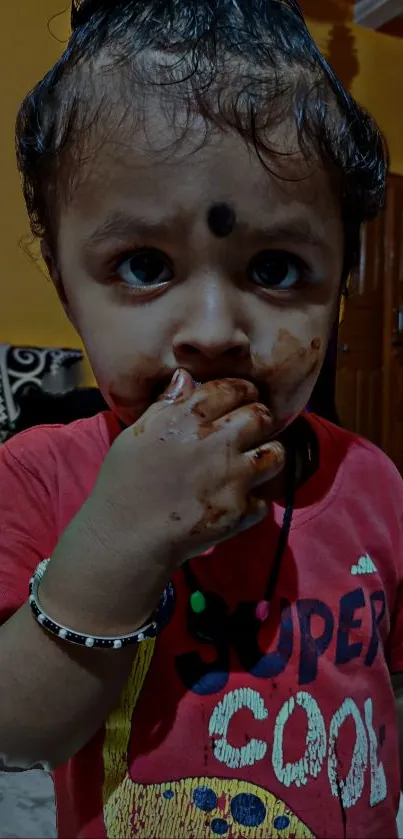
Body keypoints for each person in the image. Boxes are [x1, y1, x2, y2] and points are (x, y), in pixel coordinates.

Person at [0, 1, 401, 837]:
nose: (214, 330)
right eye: (144, 265)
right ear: (65, 280)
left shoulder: (372, 482)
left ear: (344, 279)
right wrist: (118, 534)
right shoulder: (39, 475)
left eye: (275, 266)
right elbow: (21, 730)